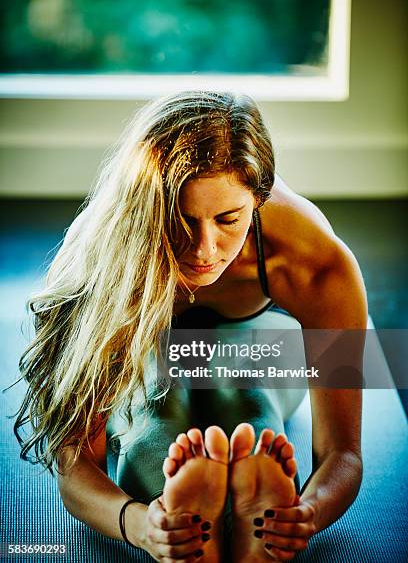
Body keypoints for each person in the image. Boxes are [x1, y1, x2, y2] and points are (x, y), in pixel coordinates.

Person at [14, 91, 367, 562]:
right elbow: (75, 461)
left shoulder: (315, 261)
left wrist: (306, 512)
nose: (204, 249)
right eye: (181, 219)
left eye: (228, 219)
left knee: (250, 393)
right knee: (155, 411)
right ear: (147, 205)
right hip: (143, 347)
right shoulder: (94, 268)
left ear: (258, 200)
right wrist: (140, 526)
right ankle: (179, 514)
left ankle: (257, 511)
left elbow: (343, 452)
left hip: (261, 342)